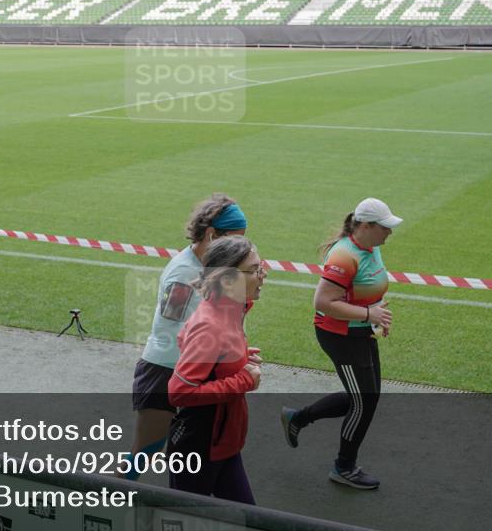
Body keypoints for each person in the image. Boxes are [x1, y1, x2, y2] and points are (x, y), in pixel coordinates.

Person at [280, 197, 402, 491]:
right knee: (364, 400)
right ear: (366, 225)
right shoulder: (344, 256)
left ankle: (297, 418)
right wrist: (368, 313)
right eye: (384, 227)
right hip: (340, 336)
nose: (389, 232)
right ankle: (343, 467)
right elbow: (323, 302)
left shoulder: (370, 248)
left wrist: (376, 316)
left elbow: (364, 290)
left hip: (360, 331)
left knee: (363, 397)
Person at [125, 194, 249, 480]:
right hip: (163, 372)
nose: (239, 246)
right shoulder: (184, 273)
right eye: (233, 238)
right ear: (210, 234)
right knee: (144, 452)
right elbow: (171, 322)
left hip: (186, 369)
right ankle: (110, 504)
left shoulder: (211, 267)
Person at [167, 235, 266, 504]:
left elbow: (192, 345)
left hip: (222, 445)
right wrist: (243, 379)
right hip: (198, 448)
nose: (263, 274)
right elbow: (179, 392)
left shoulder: (232, 309)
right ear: (227, 279)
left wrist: (237, 358)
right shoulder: (210, 325)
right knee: (181, 529)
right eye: (255, 269)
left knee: (247, 523)